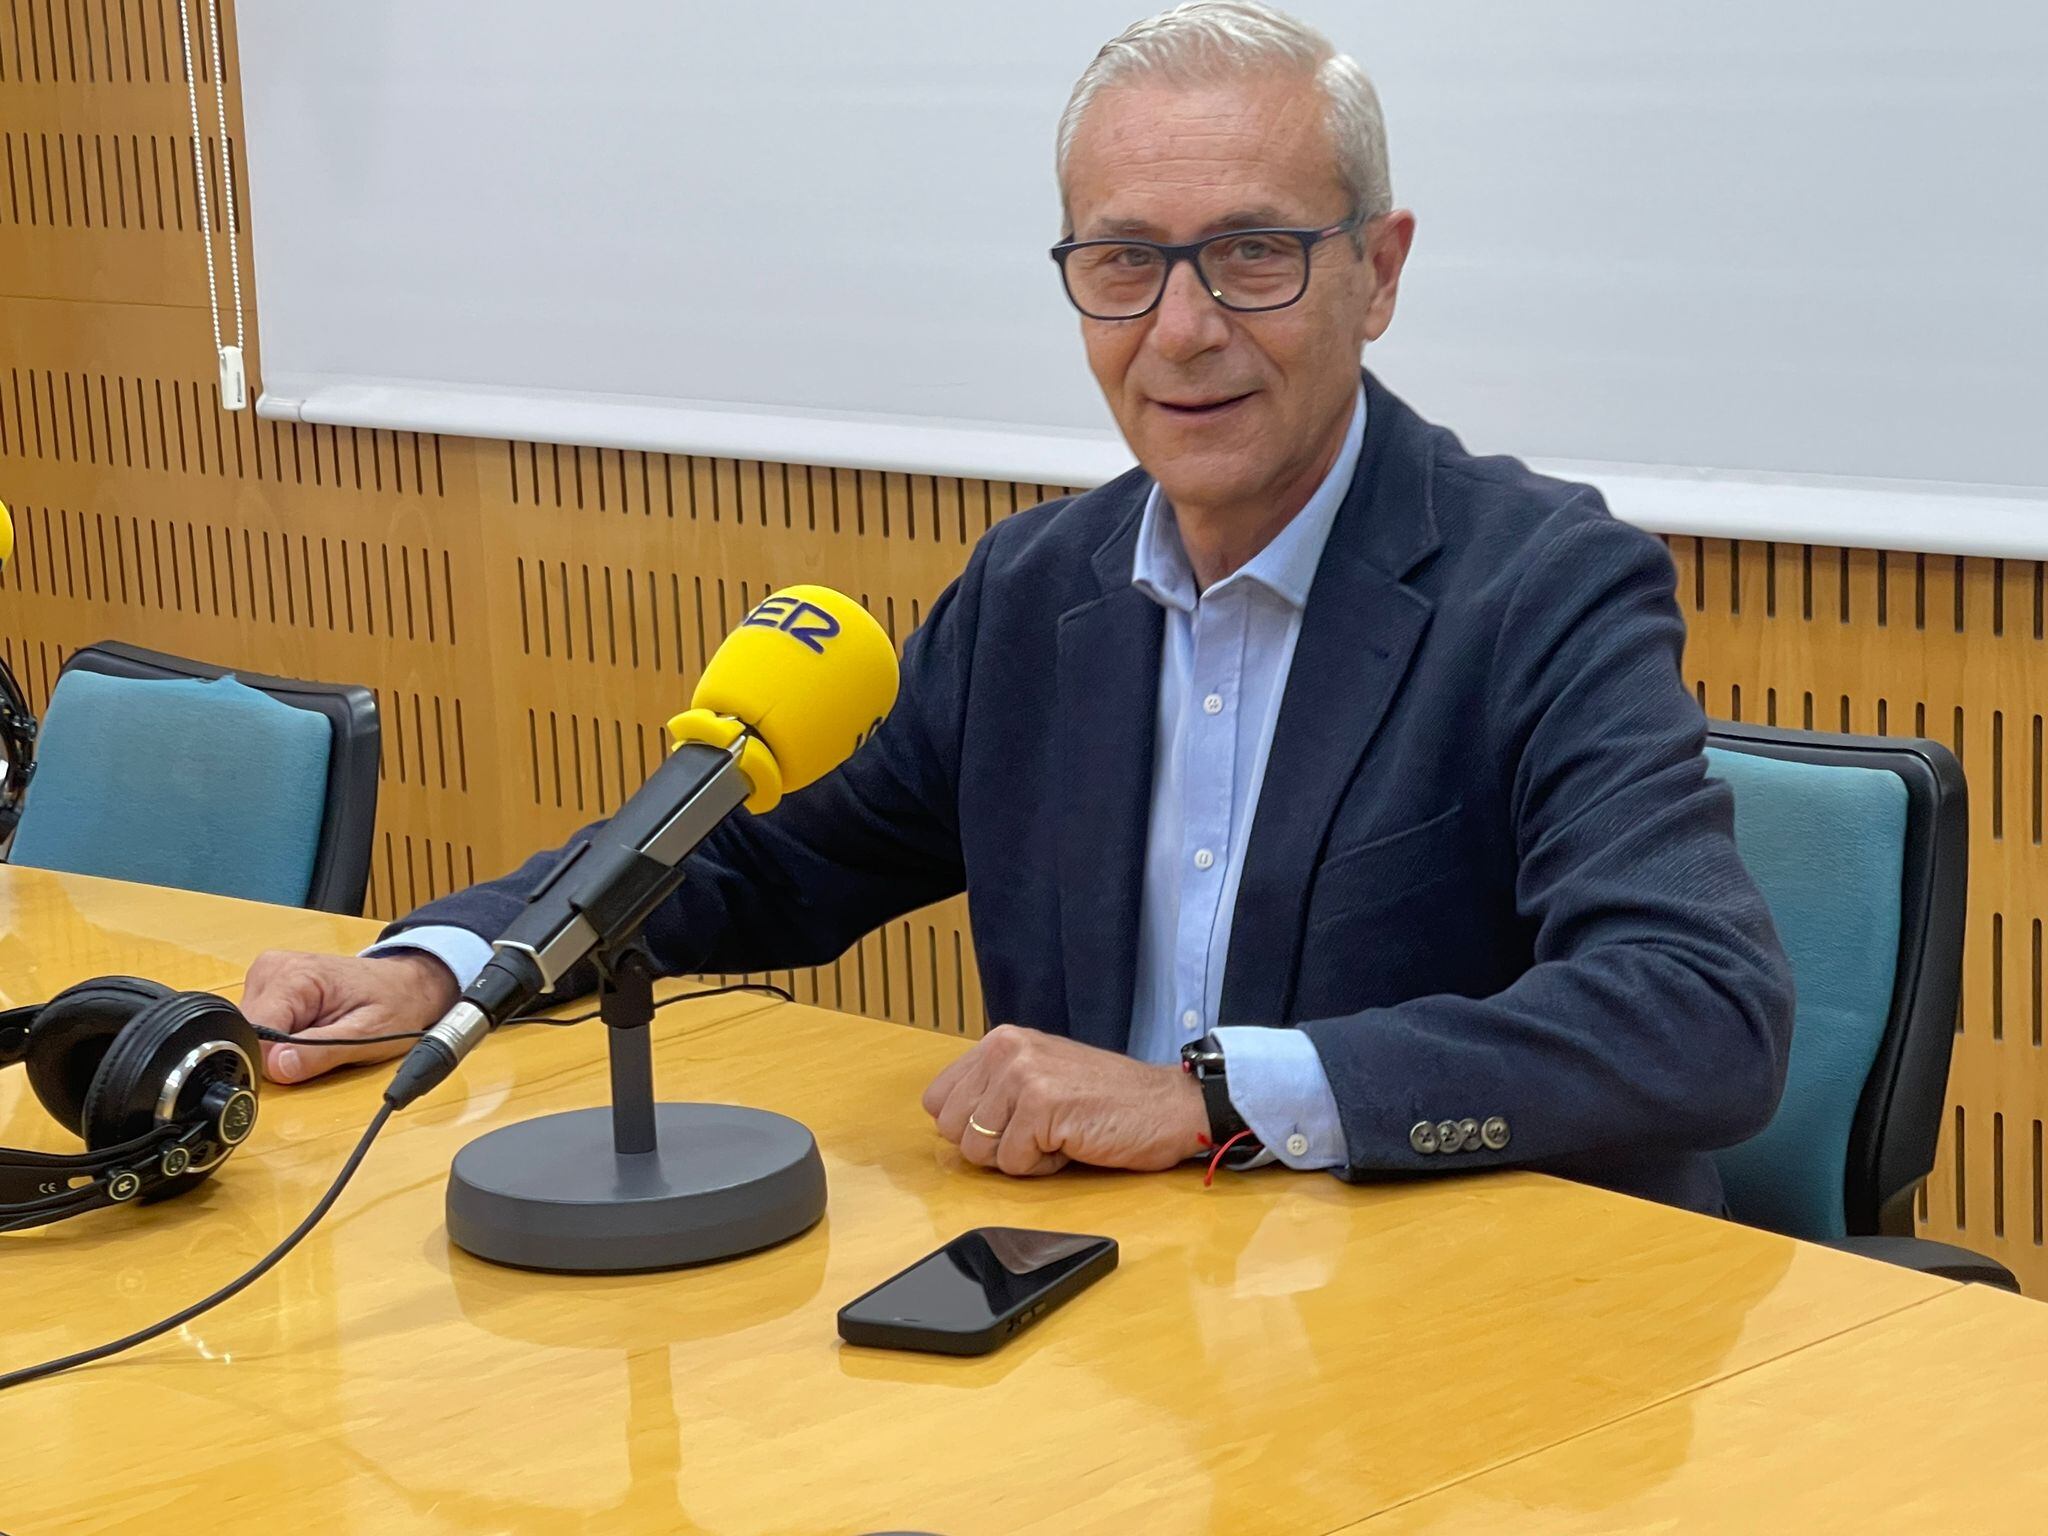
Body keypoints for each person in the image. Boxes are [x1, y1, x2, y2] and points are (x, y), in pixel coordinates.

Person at [242, 0, 1792, 1213]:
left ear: (1376, 275)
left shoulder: (1542, 586)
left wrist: (1213, 1101)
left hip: (1443, 1345)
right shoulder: (1035, 593)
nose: (1179, 331)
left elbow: (1697, 1015)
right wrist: (442, 969)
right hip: (1099, 1312)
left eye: (1250, 255)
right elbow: (747, 861)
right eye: (1123, 264)